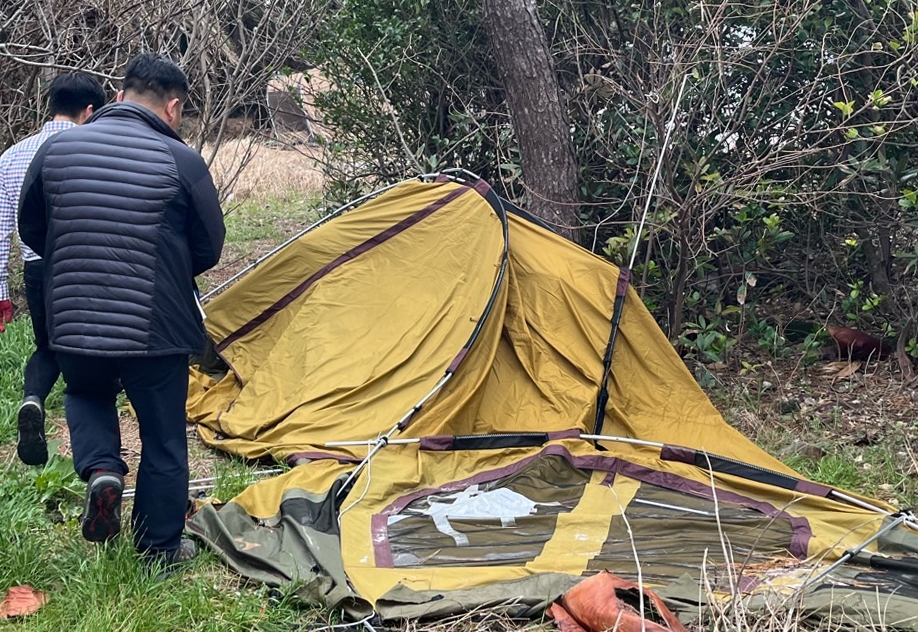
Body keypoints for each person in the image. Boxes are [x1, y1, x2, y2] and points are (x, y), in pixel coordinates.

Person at [18, 53, 226, 568]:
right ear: (173, 107)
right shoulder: (181, 160)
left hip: (72, 317)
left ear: (117, 97)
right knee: (163, 438)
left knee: (86, 393)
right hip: (155, 326)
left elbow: (31, 229)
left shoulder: (58, 149)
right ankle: (158, 550)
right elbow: (210, 247)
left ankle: (102, 470)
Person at [0, 73, 106, 467]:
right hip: (87, 266)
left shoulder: (11, 156)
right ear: (89, 110)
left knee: (47, 347)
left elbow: (1, 230)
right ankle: (99, 443)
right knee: (92, 349)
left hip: (37, 268)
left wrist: (1, 293)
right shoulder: (94, 150)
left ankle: (32, 400)